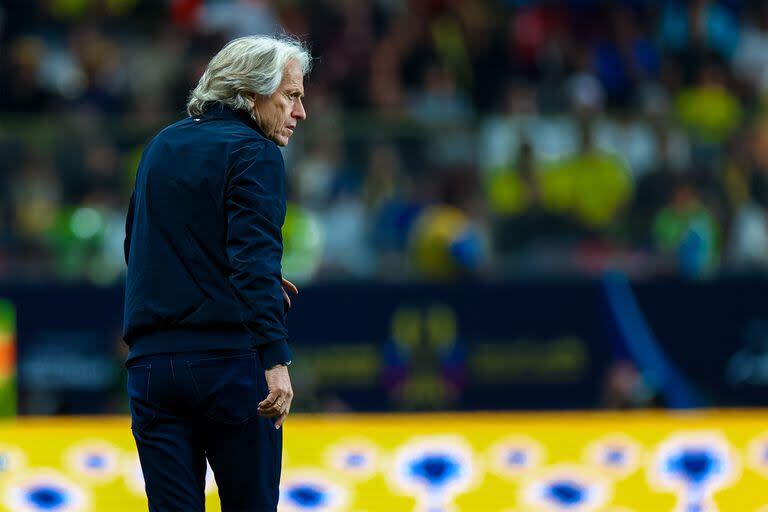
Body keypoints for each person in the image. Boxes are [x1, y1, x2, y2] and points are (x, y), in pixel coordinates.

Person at [122, 35, 311, 511]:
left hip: (152, 371)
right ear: (250, 94)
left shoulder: (161, 144)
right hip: (229, 365)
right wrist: (275, 358)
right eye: (291, 95)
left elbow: (135, 247)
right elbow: (253, 262)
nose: (300, 111)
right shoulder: (256, 152)